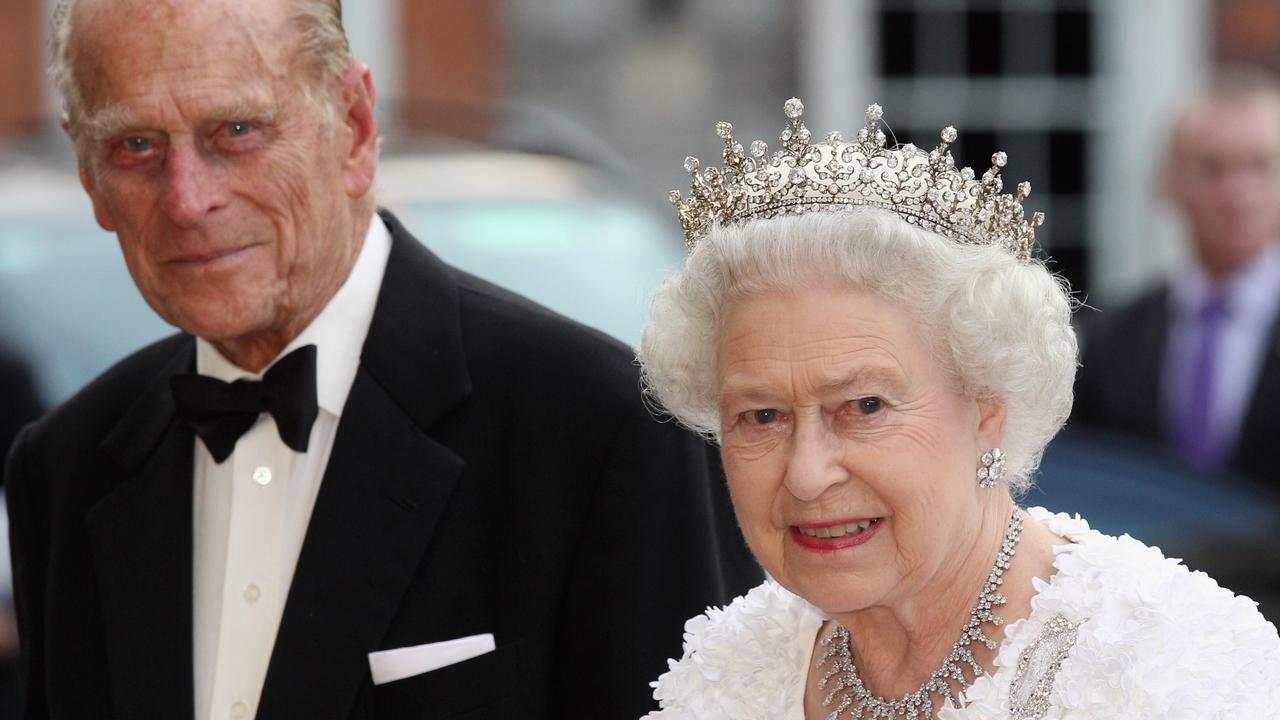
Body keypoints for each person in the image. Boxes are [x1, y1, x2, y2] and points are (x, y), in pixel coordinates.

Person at [5, 1, 760, 719]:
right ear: (90, 178)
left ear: (355, 128)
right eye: (134, 145)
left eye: (236, 130)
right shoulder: (65, 466)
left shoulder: (602, 428)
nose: (186, 199)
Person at [638, 99, 1280, 718]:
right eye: (762, 416)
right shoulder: (730, 671)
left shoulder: (1166, 666)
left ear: (988, 407)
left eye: (864, 405)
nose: (806, 474)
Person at [1073, 68, 1280, 482]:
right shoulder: (1108, 338)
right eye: (1212, 168)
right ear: (1168, 181)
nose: (1237, 191)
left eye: (1260, 167)